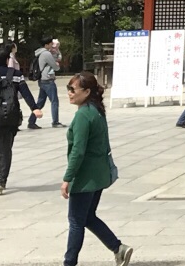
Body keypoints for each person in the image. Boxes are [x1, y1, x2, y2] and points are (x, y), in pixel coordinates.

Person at [62, 72, 133, 266]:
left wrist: (68, 177)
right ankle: (118, 248)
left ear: (86, 92)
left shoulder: (84, 115)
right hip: (98, 174)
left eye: (72, 90)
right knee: (87, 217)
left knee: (76, 221)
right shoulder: (96, 110)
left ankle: (69, 262)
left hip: (85, 177)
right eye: (68, 89)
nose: (69, 93)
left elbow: (78, 150)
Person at [0, 48, 42, 195]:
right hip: (12, 118)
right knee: (6, 149)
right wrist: (34, 108)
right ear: (6, 59)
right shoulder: (16, 75)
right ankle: (3, 180)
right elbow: (26, 92)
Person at [30, 37, 64, 129]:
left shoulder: (39, 53)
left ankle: (31, 121)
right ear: (46, 45)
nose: (51, 45)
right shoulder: (46, 54)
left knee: (40, 102)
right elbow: (55, 66)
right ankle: (55, 121)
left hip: (42, 79)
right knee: (54, 101)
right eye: (50, 44)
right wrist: (57, 66)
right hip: (48, 79)